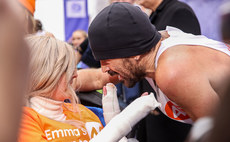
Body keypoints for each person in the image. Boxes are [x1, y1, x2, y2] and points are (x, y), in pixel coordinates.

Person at [88, 1, 230, 134]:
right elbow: (97, 78)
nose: (104, 69)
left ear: (134, 52)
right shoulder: (155, 47)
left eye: (106, 59)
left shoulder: (173, 70)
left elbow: (220, 133)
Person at [17, 35, 160, 141]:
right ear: (45, 74)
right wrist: (122, 122)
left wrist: (116, 126)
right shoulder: (22, 122)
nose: (75, 75)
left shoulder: (87, 113)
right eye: (67, 69)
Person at [136, 0, 201, 141]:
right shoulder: (154, 15)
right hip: (155, 108)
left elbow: (185, 62)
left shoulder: (179, 12)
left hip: (174, 115)